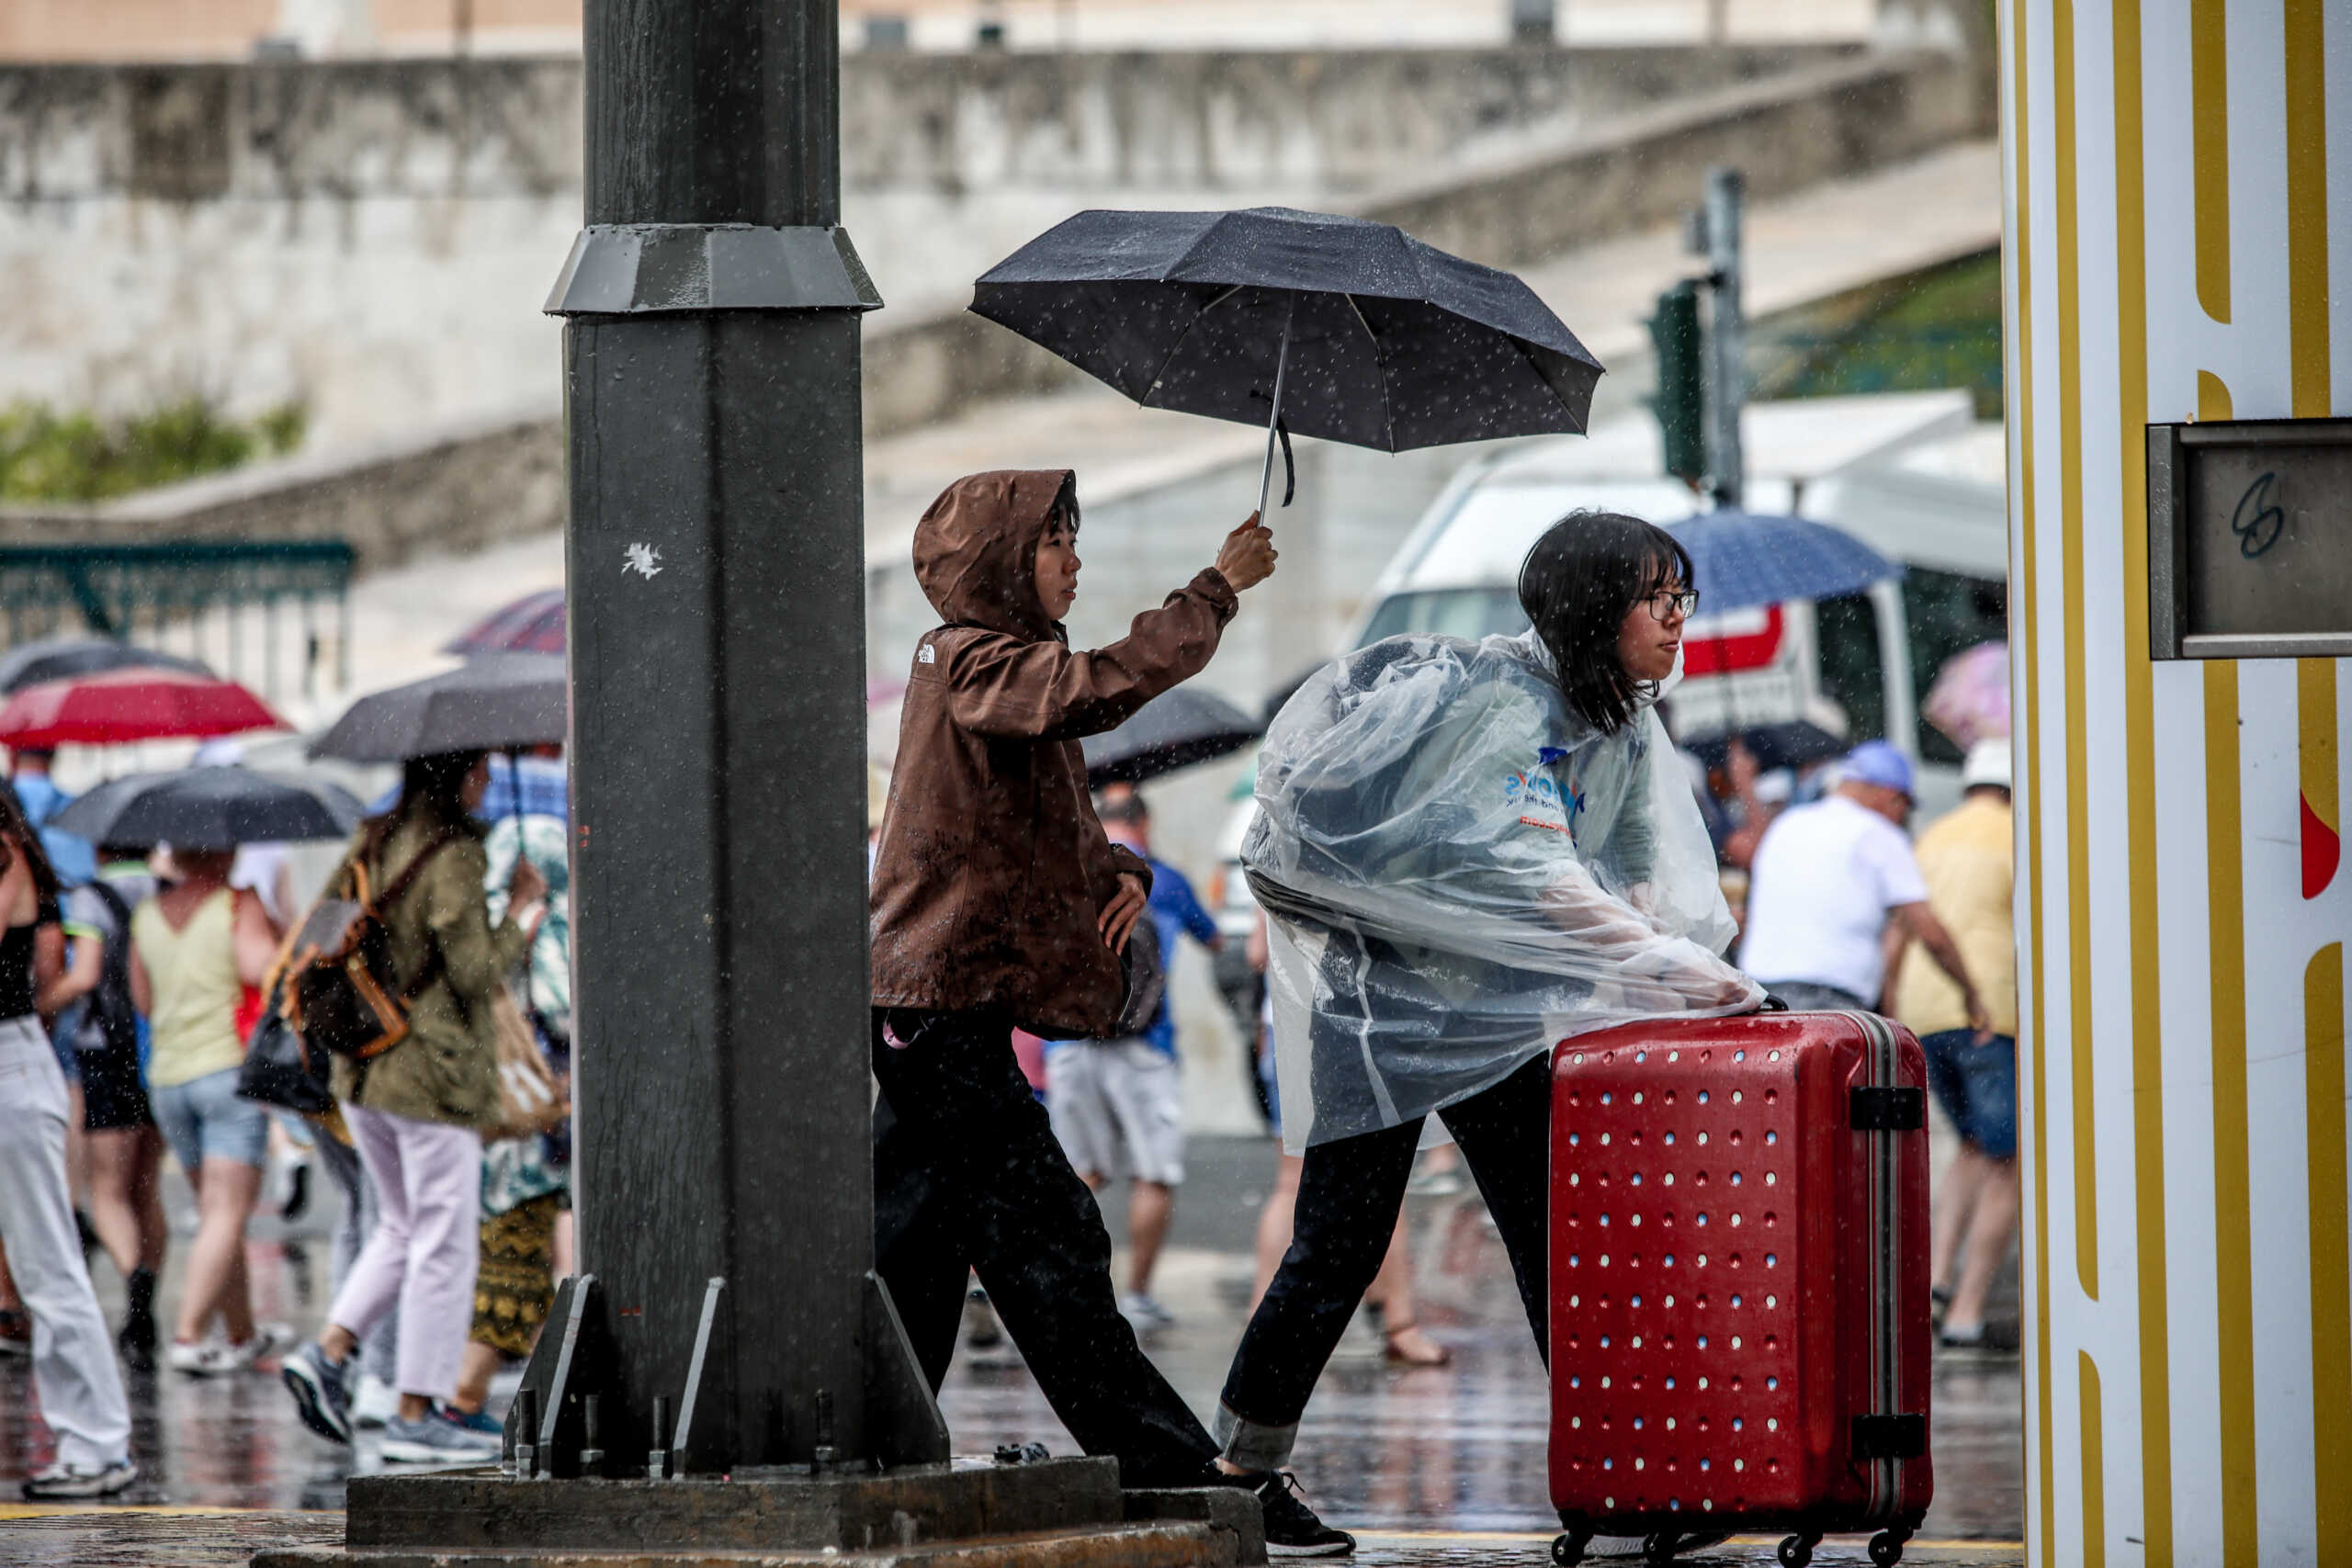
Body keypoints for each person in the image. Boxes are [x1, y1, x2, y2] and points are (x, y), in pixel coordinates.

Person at [1227, 512, 1760, 1542]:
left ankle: (1625, 1472)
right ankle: (1242, 1467)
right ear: (1598, 610)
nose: (1676, 620)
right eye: (1660, 600)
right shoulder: (1504, 708)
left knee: (1560, 1243)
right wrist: (1673, 966)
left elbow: (1630, 870)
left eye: (1679, 599)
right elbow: (1533, 873)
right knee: (1339, 1246)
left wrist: (1673, 961)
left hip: (1496, 1022)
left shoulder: (1617, 718)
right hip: (1384, 1012)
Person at [866, 469, 1350, 1553]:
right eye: (1056, 543)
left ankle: (869, 1444)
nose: (1074, 562)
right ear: (1002, 563)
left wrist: (1117, 867)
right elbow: (1097, 684)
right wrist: (1216, 589)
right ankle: (1180, 1476)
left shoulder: (995, 679)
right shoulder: (970, 661)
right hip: (932, 1007)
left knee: (916, 1246)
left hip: (935, 1005)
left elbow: (1037, 821)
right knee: (1048, 1245)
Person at [280, 749, 545, 1465]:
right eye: (480, 769)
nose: (488, 780)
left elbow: (325, 933)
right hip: (430, 1076)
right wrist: (522, 914)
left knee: (401, 1226)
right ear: (456, 775)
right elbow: (474, 969)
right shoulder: (453, 852)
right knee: (444, 1241)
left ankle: (328, 1352)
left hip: (362, 1066)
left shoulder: (373, 836)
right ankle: (418, 1411)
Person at [0, 784, 138, 1497]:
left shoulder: (6, 859)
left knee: (48, 1264)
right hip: (16, 1064)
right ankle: (91, 1441)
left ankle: (98, 1442)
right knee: (41, 1266)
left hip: (12, 1064)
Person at [1045, 784, 1218, 1329]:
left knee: (1073, 1175)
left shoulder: (1061, 872)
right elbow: (1213, 941)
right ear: (1144, 823)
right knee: (1153, 1175)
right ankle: (1137, 1296)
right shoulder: (1161, 878)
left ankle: (1054, 1291)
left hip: (1067, 1041)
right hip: (1146, 1046)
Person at [130, 842, 289, 1374]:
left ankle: (241, 1333)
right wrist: (279, 931)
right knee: (225, 1212)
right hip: (225, 1071)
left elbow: (145, 1001)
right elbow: (260, 968)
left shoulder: (148, 914)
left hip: (168, 1078)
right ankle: (189, 1335)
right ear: (223, 851)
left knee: (220, 1214)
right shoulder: (236, 904)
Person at [1888, 737, 2020, 1351]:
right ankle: (1967, 1312)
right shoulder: (2024, 832)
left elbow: (1900, 928)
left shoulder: (1933, 835)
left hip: (1923, 1008)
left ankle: (1934, 1282)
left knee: (1970, 1144)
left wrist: (1891, 1005)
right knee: (2010, 1161)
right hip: (1987, 1009)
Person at [1737, 739, 1990, 1027]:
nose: (1901, 817)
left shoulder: (1787, 823)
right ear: (1890, 795)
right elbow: (1929, 931)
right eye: (1903, 806)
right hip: (1830, 1004)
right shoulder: (1879, 833)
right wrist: (1970, 993)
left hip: (1761, 1000)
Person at [49, 841, 165, 1368]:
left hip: (105, 1052)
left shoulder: (92, 898)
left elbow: (86, 975)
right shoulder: (167, 893)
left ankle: (133, 1276)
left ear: (98, 845)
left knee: (109, 1191)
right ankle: (151, 1298)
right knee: (148, 1189)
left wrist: (39, 1004)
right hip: (158, 1049)